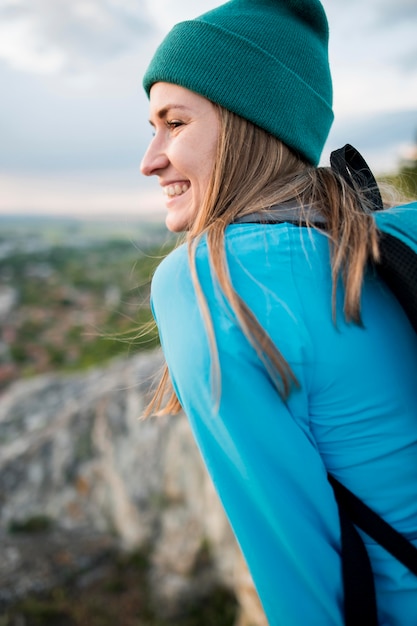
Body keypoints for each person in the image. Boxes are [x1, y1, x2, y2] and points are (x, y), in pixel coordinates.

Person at [140, 0, 417, 624]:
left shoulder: (210, 279)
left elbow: (298, 579)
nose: (150, 157)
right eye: (151, 126)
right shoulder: (390, 236)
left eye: (174, 123)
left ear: (247, 127)